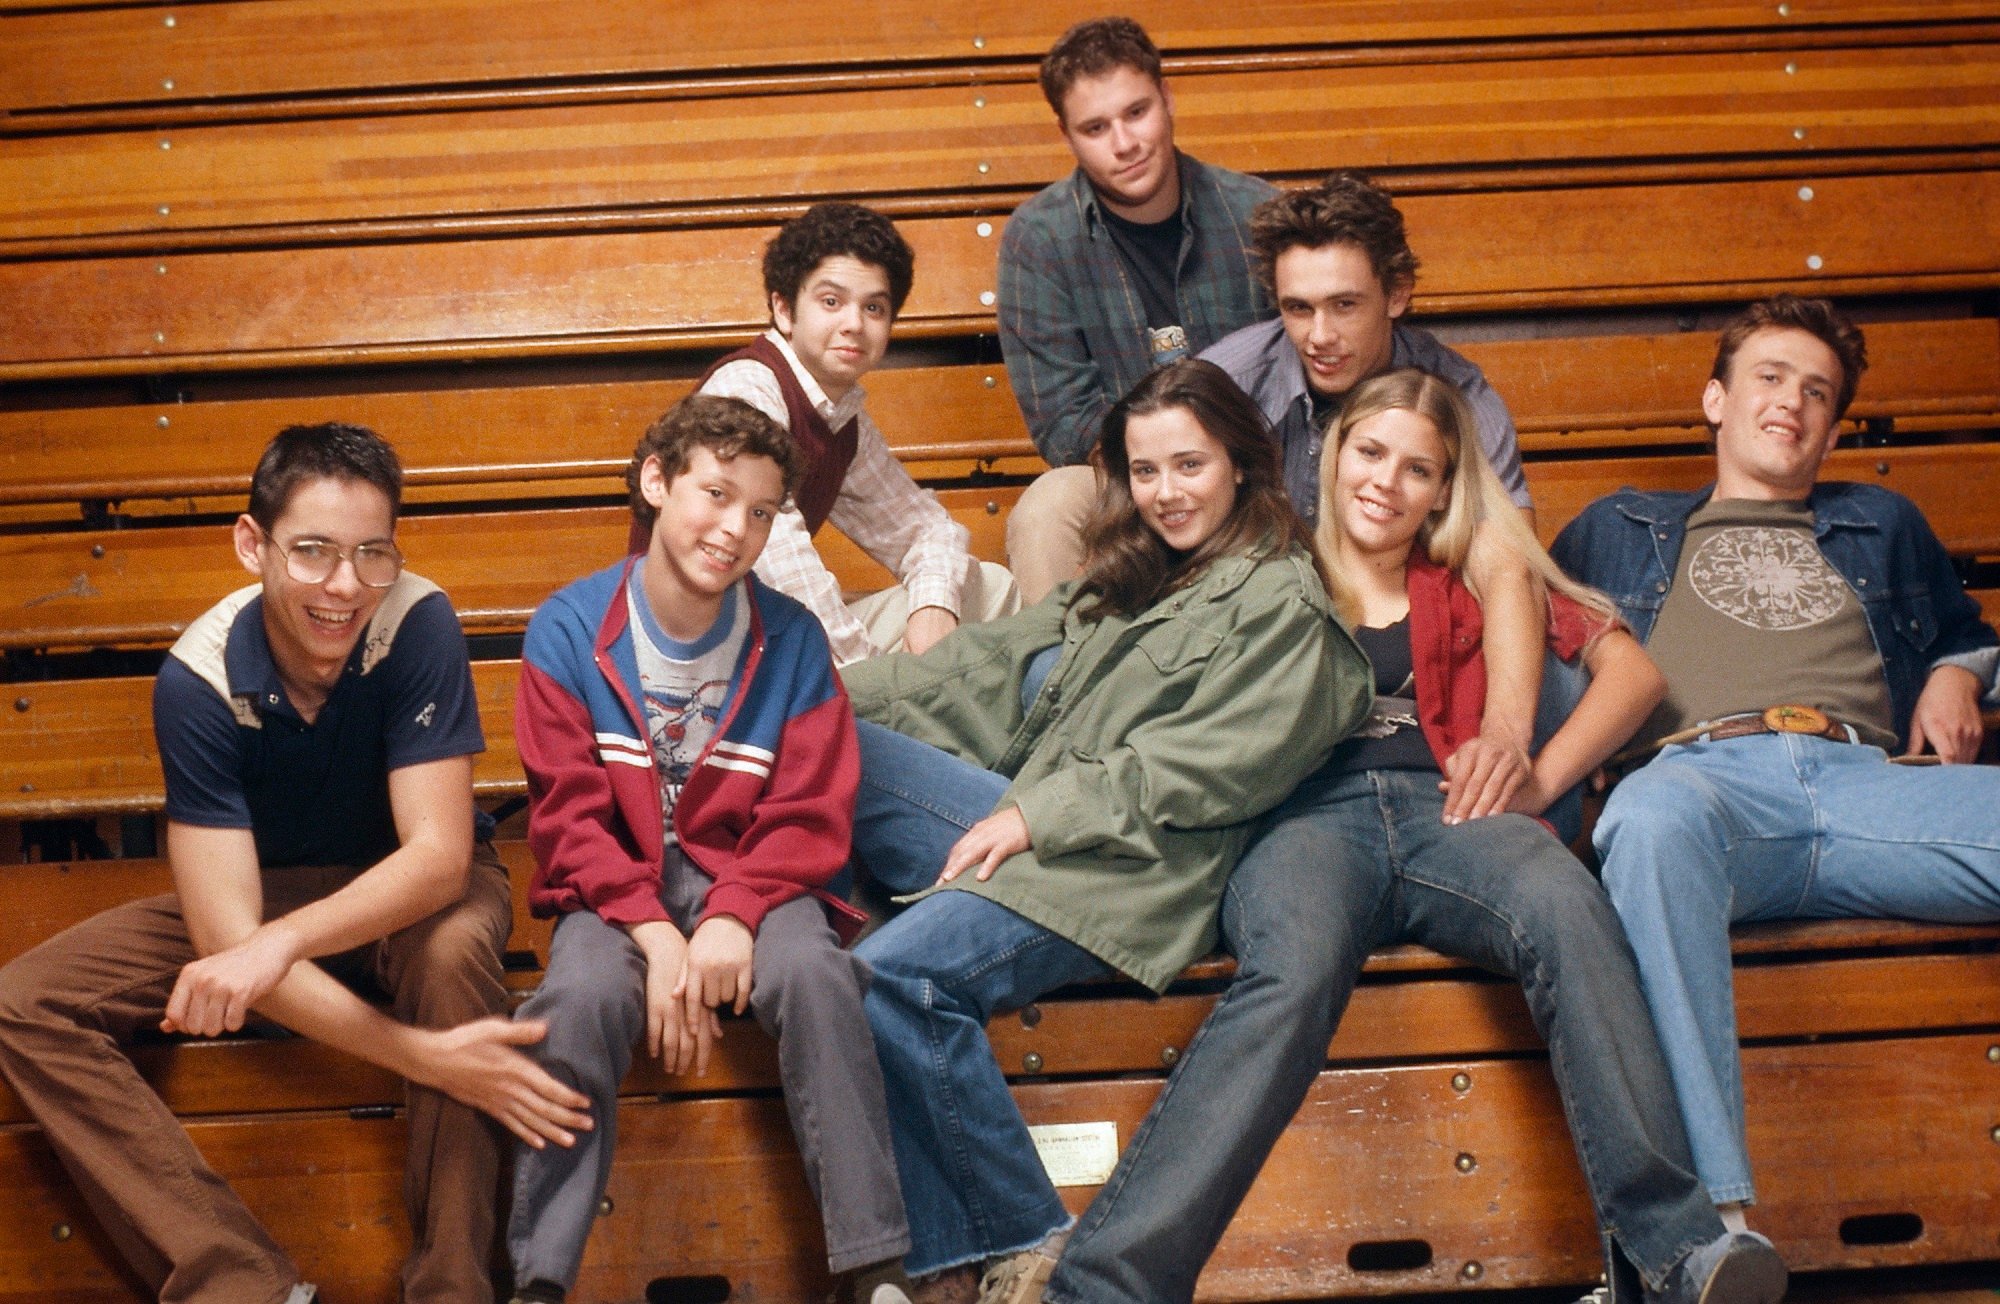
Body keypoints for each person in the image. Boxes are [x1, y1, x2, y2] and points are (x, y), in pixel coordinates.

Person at [1045, 367, 1785, 1304]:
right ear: (1334, 454)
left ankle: (1678, 1255)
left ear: (1444, 488)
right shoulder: (1266, 564)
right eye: (1371, 453)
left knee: (1569, 906)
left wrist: (1532, 778)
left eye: (1418, 470)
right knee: (1294, 969)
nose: (1386, 483)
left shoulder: (1476, 569)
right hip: (1306, 823)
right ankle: (1109, 1285)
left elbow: (1635, 680)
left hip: (1454, 816)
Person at [0, 423, 591, 1304]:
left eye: (371, 554)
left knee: (453, 951)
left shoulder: (418, 622)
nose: (344, 586)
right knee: (23, 1003)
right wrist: (425, 1057)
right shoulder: (197, 678)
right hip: (257, 895)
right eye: (312, 551)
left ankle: (453, 1287)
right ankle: (243, 1285)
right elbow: (227, 935)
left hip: (410, 889)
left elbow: (436, 859)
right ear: (253, 544)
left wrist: (276, 947)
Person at [839, 358, 1373, 1304]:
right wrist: (802, 695)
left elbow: (1205, 765)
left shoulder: (1285, 605)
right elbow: (970, 670)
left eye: (1189, 466)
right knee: (811, 728)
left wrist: (1037, 812)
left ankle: (1027, 1247)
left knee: (893, 978)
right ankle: (948, 1282)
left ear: (1242, 465)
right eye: (1146, 471)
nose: (1166, 493)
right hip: (1026, 832)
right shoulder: (1127, 579)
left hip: (1126, 873)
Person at [1549, 295, 2000, 1247]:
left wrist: (1961, 673)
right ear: (1716, 399)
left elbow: (1969, 636)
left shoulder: (1880, 521)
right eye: (1769, 377)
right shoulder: (1616, 528)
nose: (1791, 401)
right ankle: (1712, 1233)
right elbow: (1538, 652)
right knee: (1649, 823)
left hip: (1873, 786)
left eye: (1817, 392)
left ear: (1833, 429)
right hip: (1704, 782)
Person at [509, 395, 914, 1304]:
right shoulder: (570, 631)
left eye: (762, 511)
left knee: (819, 978)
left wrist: (731, 914)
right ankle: (539, 1280)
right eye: (717, 494)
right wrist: (658, 938)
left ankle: (876, 1271)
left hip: (757, 881)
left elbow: (810, 813)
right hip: (615, 889)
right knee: (574, 1001)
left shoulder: (795, 641)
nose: (735, 529)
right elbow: (569, 821)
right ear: (657, 483)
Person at [997, 15, 1277, 601]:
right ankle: (1063, 683)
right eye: (1095, 127)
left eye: (1136, 112)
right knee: (1047, 506)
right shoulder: (1039, 239)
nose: (1124, 143)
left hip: (1257, 474)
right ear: (1067, 135)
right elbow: (1065, 425)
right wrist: (1165, 475)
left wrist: (1217, 473)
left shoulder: (1257, 216)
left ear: (1167, 98)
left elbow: (1294, 377)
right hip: (1126, 480)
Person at [690, 201, 1016, 666]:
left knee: (986, 588)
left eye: (874, 307)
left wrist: (933, 609)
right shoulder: (746, 391)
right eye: (831, 302)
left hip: (771, 639)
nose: (854, 324)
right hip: (708, 655)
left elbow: (927, 530)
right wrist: (879, 683)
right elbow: (785, 570)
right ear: (784, 309)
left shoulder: (841, 420)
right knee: (899, 686)